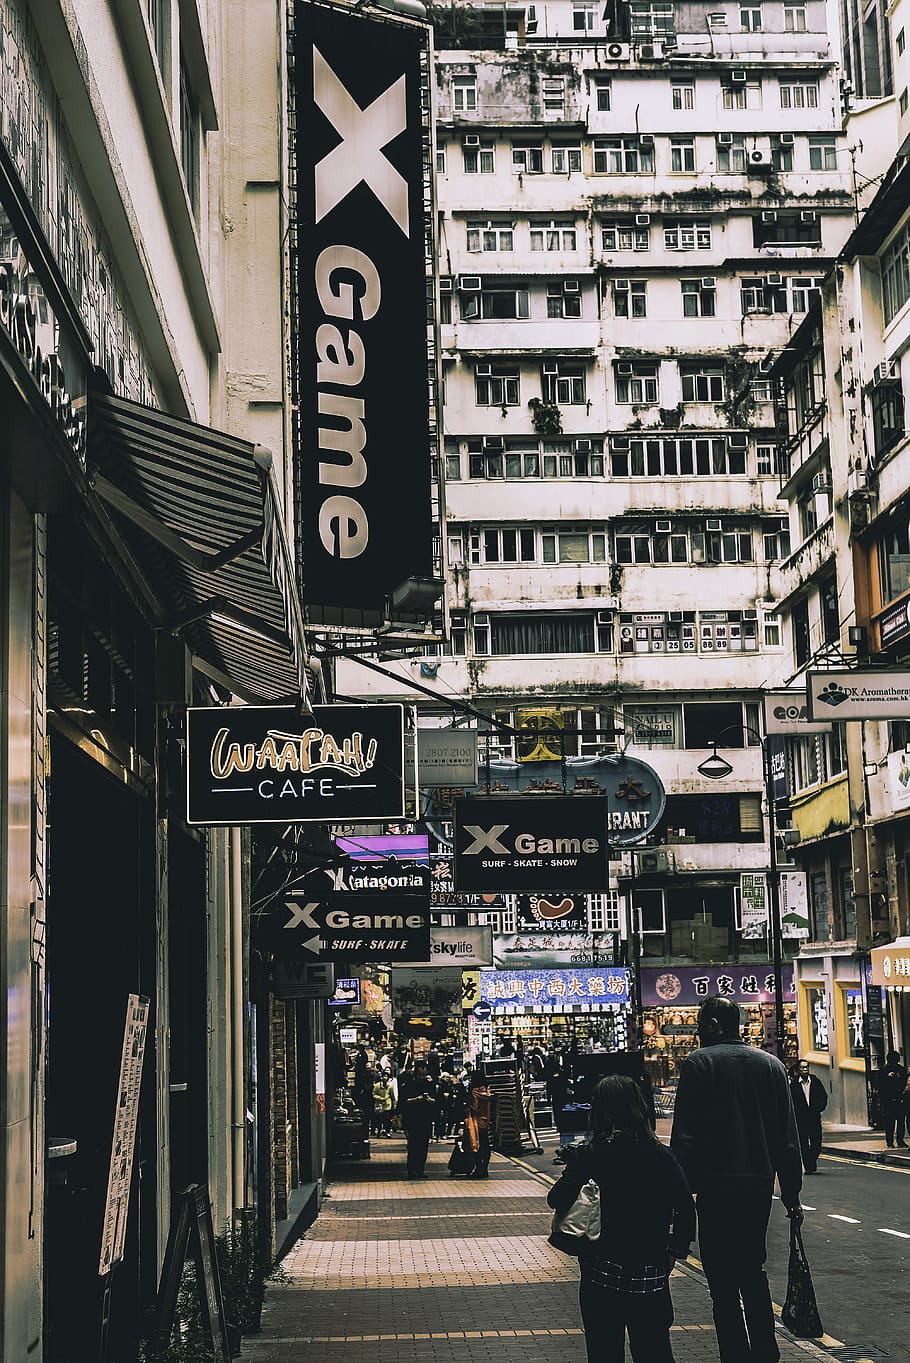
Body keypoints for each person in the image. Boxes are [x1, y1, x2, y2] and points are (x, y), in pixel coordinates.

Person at [671, 995, 803, 1363]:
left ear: (713, 1025)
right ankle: (765, 1351)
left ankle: (734, 1354)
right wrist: (792, 1196)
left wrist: (679, 1195)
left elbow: (684, 1138)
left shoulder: (699, 1064)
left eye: (700, 1025)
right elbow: (787, 1139)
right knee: (752, 1269)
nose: (697, 1032)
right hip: (758, 1187)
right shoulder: (772, 1066)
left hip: (715, 1188)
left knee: (722, 1282)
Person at [548, 1075, 695, 1363]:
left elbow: (556, 1199)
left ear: (599, 1111)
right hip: (650, 1275)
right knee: (654, 1351)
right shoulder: (661, 1156)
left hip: (601, 1274)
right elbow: (686, 1208)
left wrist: (577, 1170)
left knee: (604, 1352)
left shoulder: (592, 1155)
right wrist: (673, 1253)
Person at [397, 1058, 437, 1177]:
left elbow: (437, 1101)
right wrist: (417, 1099)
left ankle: (420, 1169)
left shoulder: (430, 1084)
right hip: (412, 1120)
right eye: (421, 1068)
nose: (423, 1072)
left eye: (425, 1069)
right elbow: (403, 1102)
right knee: (414, 1145)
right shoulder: (409, 1084)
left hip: (426, 1119)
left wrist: (430, 1100)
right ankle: (412, 1169)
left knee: (423, 1145)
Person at [788, 1059, 829, 1173]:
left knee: (817, 1142)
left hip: (814, 1118)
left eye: (806, 1067)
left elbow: (823, 1096)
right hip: (801, 1119)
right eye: (802, 1068)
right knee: (804, 1144)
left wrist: (819, 1108)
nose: (805, 1070)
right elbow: (790, 1101)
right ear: (798, 1070)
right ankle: (809, 1166)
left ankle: (811, 1161)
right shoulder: (794, 1085)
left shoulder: (815, 1081)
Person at [464, 1066, 495, 1178]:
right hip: (485, 1120)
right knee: (485, 1146)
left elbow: (475, 1108)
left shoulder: (474, 1092)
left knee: (476, 1146)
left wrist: (468, 1106)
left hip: (476, 1122)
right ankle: (484, 1168)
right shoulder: (486, 1091)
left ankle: (478, 1169)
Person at [879, 1050, 909, 1147]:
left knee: (892, 1122)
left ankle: (891, 1142)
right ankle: (898, 1141)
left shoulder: (883, 1070)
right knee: (898, 1122)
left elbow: (880, 1087)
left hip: (891, 1100)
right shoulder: (899, 1070)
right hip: (896, 1100)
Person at [372, 1069, 394, 1136]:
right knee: (379, 1119)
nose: (385, 1078)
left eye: (386, 1076)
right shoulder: (377, 1086)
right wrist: (380, 1098)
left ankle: (387, 1131)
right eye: (384, 1076)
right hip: (379, 1105)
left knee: (387, 1119)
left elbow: (392, 1095)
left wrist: (394, 1104)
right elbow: (374, 1094)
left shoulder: (390, 1086)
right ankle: (379, 1130)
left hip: (387, 1105)